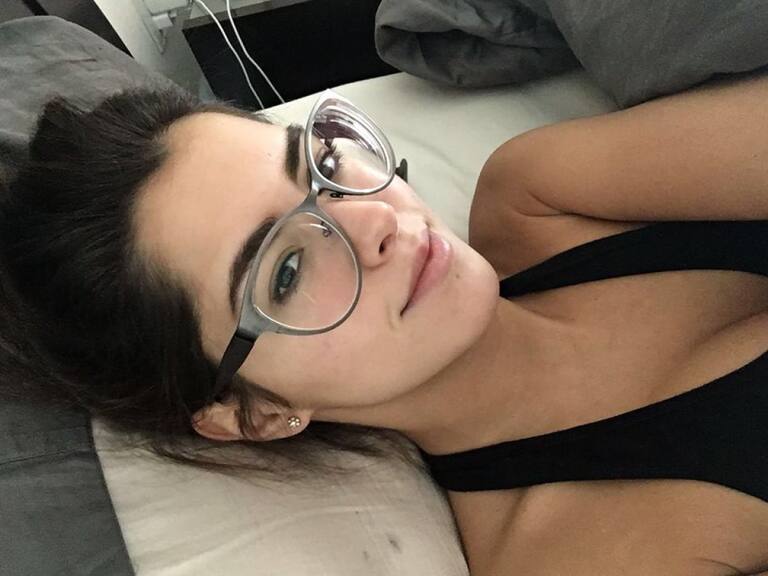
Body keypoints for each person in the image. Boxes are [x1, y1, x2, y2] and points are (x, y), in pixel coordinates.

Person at [1, 73, 766, 575]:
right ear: (252, 412)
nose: (374, 220)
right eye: (287, 270)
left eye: (326, 165)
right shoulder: (586, 555)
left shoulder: (542, 194)